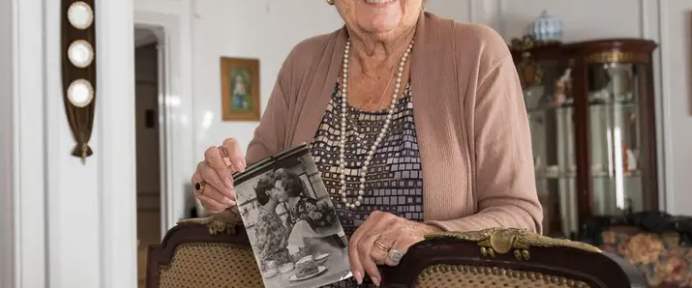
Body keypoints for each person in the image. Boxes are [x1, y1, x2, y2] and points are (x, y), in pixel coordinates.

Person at [190, 0, 543, 286]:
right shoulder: (303, 63)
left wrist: (428, 233)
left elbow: (520, 216)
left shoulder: (478, 53)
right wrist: (217, 187)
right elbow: (249, 196)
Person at [249, 172, 292, 267]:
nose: (282, 191)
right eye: (277, 189)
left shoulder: (273, 213)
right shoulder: (264, 218)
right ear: (268, 192)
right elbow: (263, 256)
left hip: (286, 264)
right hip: (277, 270)